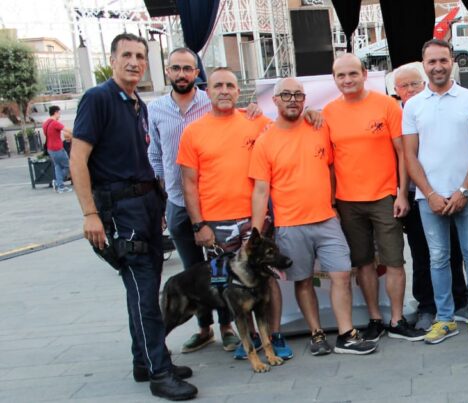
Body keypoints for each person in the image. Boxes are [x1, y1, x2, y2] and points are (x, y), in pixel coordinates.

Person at [69, 33, 197, 401]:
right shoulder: (99, 99)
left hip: (144, 206)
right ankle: (159, 371)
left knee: (142, 287)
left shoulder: (136, 103)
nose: (134, 62)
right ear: (112, 59)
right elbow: (78, 160)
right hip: (119, 208)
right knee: (144, 292)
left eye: (140, 56)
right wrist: (90, 214)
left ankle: (145, 360)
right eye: (126, 55)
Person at [174, 67, 297, 362]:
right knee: (227, 285)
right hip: (216, 224)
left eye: (230, 85)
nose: (225, 90)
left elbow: (290, 125)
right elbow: (188, 184)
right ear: (208, 91)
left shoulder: (255, 123)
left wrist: (314, 115)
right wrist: (198, 224)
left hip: (255, 220)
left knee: (268, 281)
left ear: (237, 90)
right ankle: (246, 337)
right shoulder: (193, 132)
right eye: (218, 85)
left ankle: (274, 335)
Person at [249, 77, 377, 356]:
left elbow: (332, 168)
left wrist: (332, 204)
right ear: (275, 100)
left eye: (298, 95)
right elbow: (260, 191)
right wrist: (255, 234)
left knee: (342, 273)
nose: (293, 99)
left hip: (326, 220)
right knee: (303, 280)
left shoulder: (318, 127)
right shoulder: (265, 141)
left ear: (305, 100)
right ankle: (317, 334)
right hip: (289, 225)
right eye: (286, 95)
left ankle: (346, 334)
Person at [323, 54, 426, 342]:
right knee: (364, 263)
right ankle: (375, 319)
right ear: (335, 79)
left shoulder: (386, 105)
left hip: (384, 196)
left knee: (394, 261)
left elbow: (403, 153)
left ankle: (396, 319)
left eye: (352, 74)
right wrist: (332, 202)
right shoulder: (328, 113)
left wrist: (402, 193)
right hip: (347, 201)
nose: (347, 80)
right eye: (341, 76)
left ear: (364, 74)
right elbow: (329, 163)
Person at [147, 47, 241, 356]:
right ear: (168, 71)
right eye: (176, 68)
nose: (182, 73)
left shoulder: (212, 100)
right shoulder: (155, 108)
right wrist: (163, 194)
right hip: (176, 200)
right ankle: (204, 329)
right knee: (191, 271)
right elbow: (156, 155)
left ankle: (227, 326)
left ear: (197, 73)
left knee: (218, 268)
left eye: (188, 68)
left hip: (212, 203)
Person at [403, 39, 468, 344]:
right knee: (437, 258)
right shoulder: (413, 105)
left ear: (452, 61)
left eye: (443, 60)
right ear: (423, 64)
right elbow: (410, 156)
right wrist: (429, 194)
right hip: (430, 199)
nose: (438, 66)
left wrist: (464, 190)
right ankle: (445, 319)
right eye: (432, 62)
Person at [393, 63, 468, 331]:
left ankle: (460, 300)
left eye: (414, 83)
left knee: (455, 249)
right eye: (403, 86)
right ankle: (427, 305)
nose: (410, 89)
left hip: (446, 192)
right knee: (421, 252)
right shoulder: (396, 112)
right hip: (417, 196)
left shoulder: (436, 105)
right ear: (395, 90)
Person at [43, 105, 72, 193]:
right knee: (68, 166)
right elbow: (67, 130)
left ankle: (60, 187)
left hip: (50, 149)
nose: (59, 115)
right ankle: (58, 183)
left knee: (58, 166)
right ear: (55, 112)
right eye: (59, 113)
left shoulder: (45, 123)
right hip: (58, 148)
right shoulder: (55, 123)